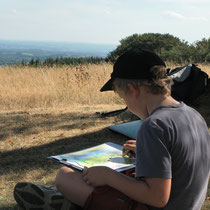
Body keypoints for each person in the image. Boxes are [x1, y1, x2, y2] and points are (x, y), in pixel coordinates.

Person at [14, 48, 210, 210]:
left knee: (65, 176)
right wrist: (146, 152)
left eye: (123, 99)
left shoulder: (154, 126)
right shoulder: (192, 115)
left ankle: (66, 202)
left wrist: (108, 176)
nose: (126, 105)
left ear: (133, 90)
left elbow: (158, 197)